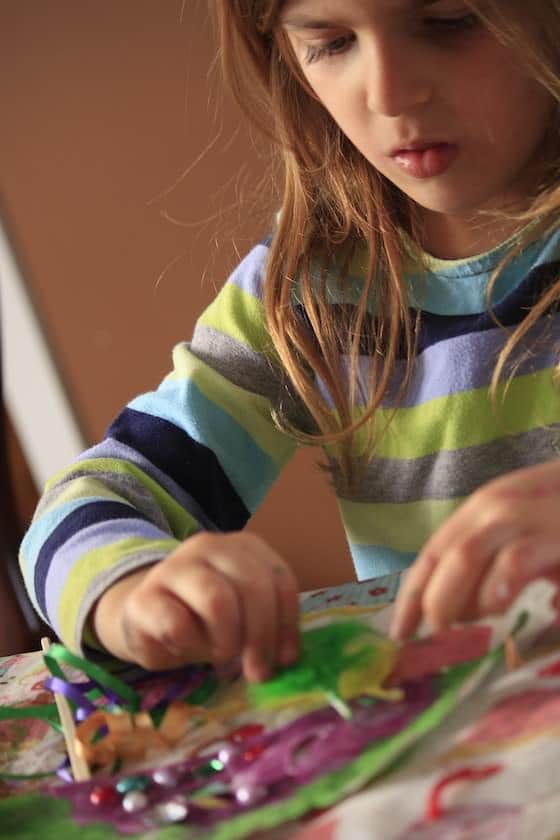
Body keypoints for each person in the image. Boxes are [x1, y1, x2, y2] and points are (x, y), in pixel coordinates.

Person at [20, 0, 560, 681]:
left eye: (451, 20)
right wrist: (132, 591)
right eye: (332, 43)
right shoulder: (307, 289)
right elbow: (100, 494)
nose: (390, 93)